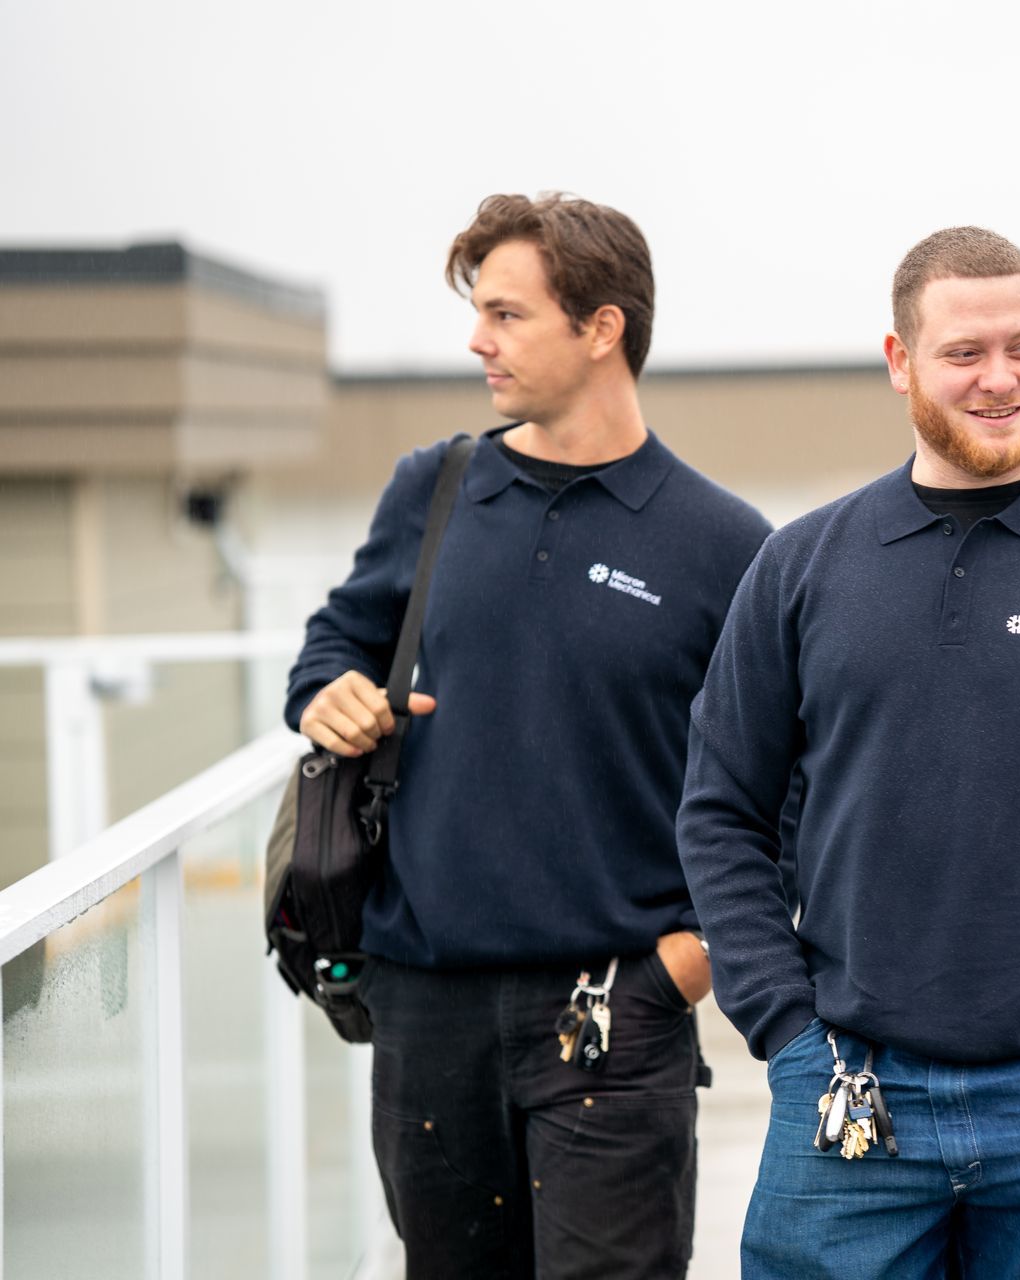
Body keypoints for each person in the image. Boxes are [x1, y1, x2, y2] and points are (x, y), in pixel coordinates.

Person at [676, 226, 1020, 1279]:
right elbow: (721, 809)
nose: (1000, 378)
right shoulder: (803, 565)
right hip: (848, 1091)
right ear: (900, 363)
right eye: (964, 352)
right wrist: (787, 1033)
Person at [285, 192, 771, 1279]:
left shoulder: (726, 545)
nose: (478, 339)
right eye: (478, 313)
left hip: (615, 1013)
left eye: (507, 314)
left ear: (602, 327)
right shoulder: (437, 487)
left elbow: (786, 793)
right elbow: (333, 645)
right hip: (423, 1012)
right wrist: (333, 694)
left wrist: (680, 970)